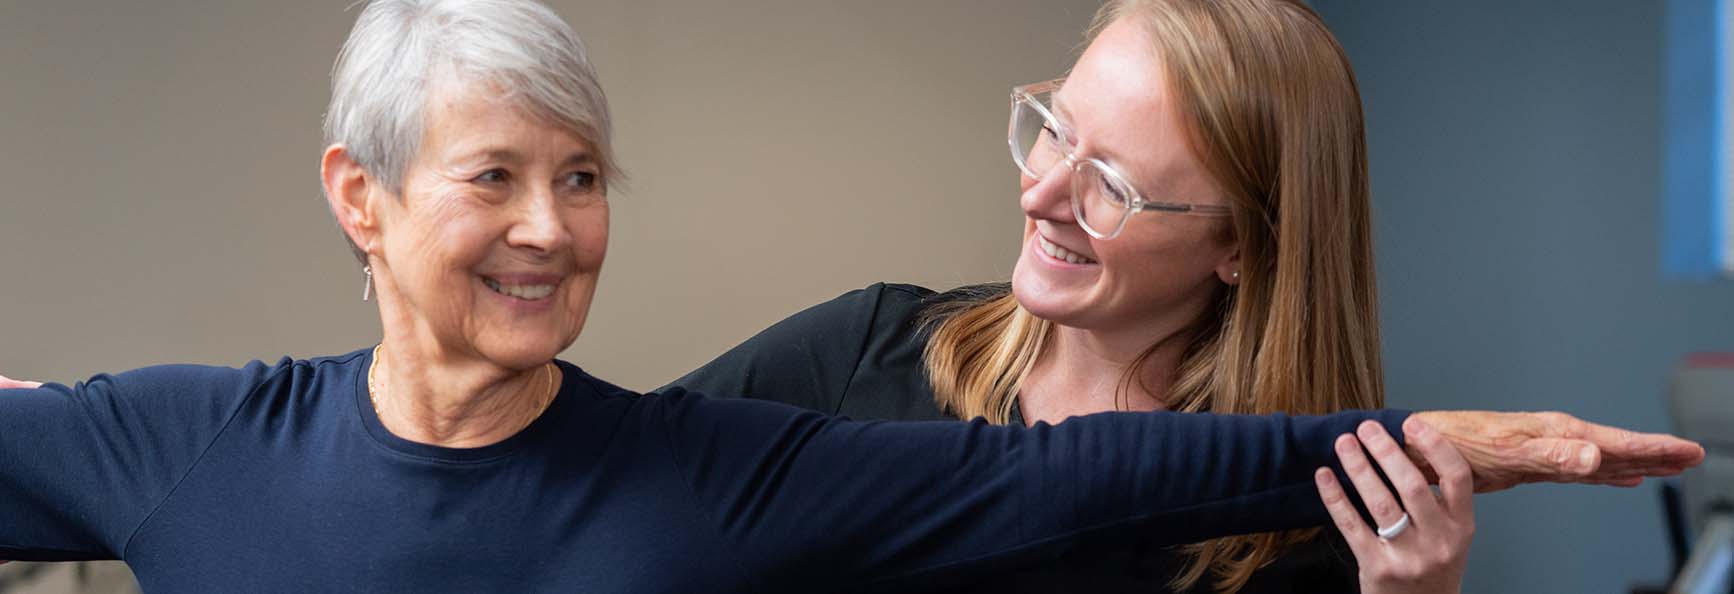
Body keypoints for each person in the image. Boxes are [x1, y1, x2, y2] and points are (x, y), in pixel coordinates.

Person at [0, 1, 1703, 593]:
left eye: (580, 175)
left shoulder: (711, 473)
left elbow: (1060, 488)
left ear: (1242, 239)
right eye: (492, 176)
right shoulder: (176, 436)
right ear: (355, 198)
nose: (549, 229)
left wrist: (1448, 443)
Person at [659, 1, 1588, 593]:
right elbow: (601, 490)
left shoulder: (1312, 531)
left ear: (1240, 246)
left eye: (1113, 183)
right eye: (1056, 131)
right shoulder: (865, 350)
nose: (1039, 194)